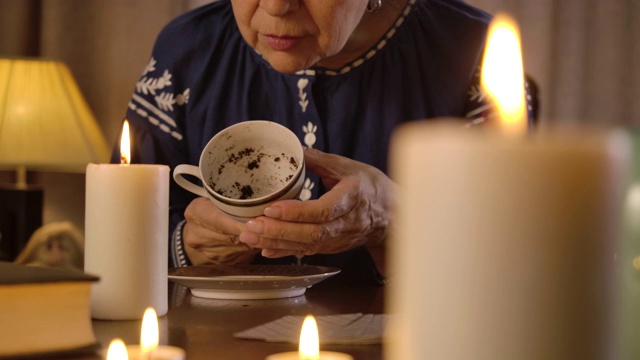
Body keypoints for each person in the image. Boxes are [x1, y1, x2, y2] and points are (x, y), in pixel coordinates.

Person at [115, 0, 531, 285]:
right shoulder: (188, 49)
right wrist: (189, 246)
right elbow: (119, 242)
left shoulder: (481, 59)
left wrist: (393, 221)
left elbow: (509, 271)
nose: (277, 6)